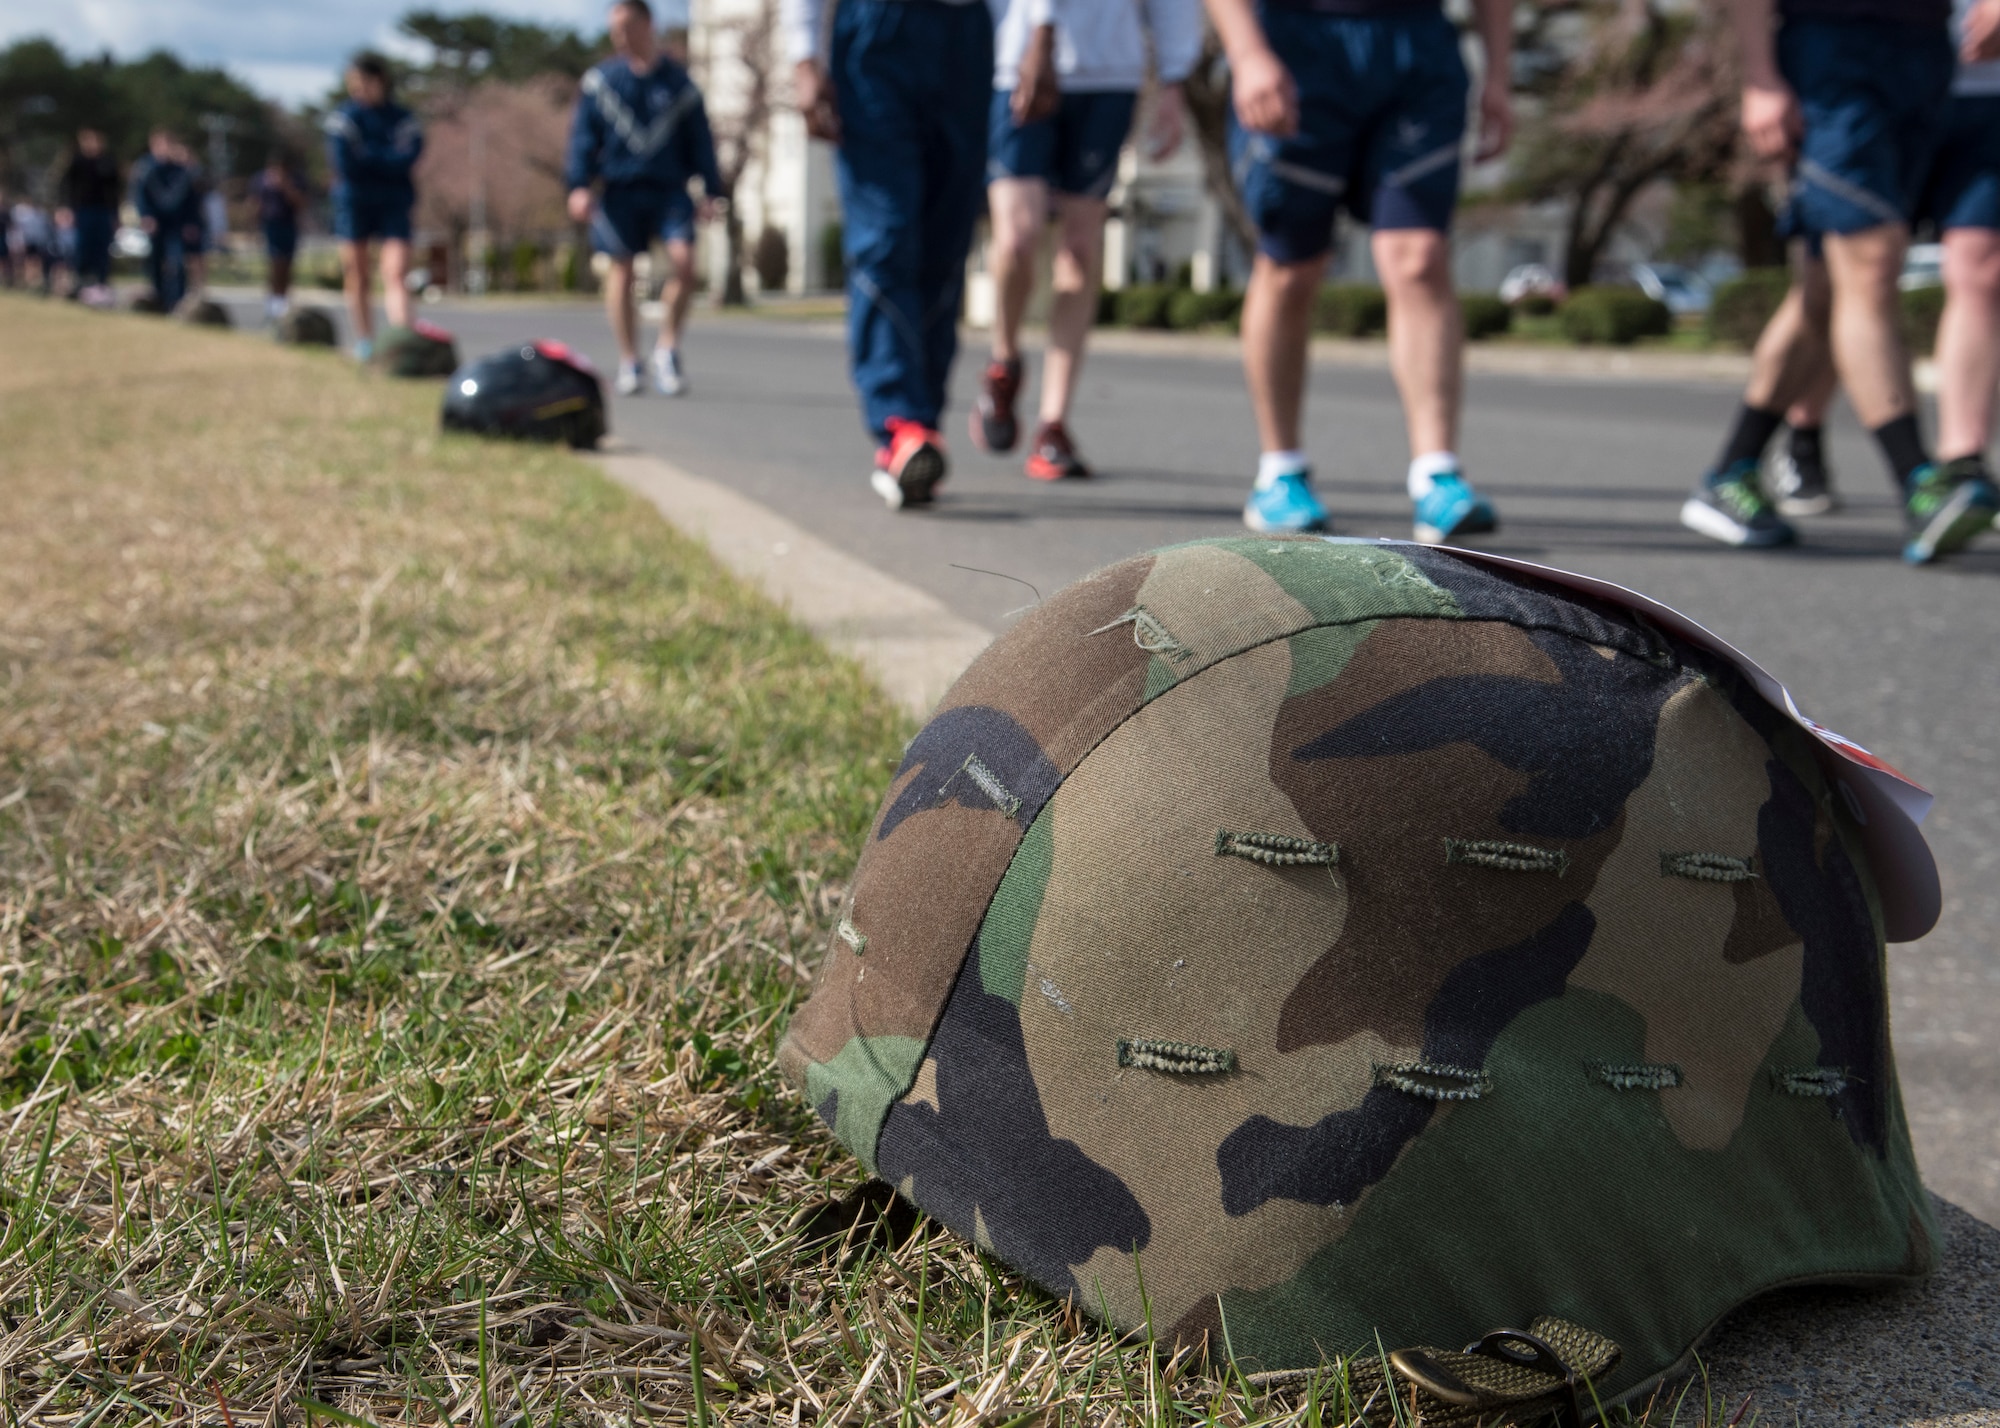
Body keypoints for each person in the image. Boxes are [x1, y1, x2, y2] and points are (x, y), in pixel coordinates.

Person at [1684, 0, 1994, 565]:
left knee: (1825, 290)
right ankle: (1919, 483)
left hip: (1923, 54)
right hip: (1830, 50)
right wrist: (1760, 76)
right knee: (1872, 261)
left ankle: (1731, 473)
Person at [1205, 0, 1513, 540]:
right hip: (1296, 43)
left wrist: (1500, 75)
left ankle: (1437, 473)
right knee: (1290, 268)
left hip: (1416, 47)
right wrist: (1248, 52)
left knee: (1419, 259)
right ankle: (1280, 471)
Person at [787, 0, 1024, 510]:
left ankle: (921, 431)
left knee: (946, 244)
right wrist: (804, 56)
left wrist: (1021, 40)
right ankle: (900, 421)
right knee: (887, 236)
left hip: (967, 34)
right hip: (877, 32)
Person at [975, 0, 1201, 481]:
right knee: (1017, 238)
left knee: (1079, 250)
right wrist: (1036, 34)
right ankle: (1005, 359)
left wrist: (1174, 80)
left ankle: (1053, 424)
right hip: (1019, 63)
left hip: (1109, 74)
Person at [565, 0, 724, 397]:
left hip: (670, 189)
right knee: (622, 271)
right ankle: (629, 360)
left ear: (648, 23)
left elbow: (700, 141)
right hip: (620, 191)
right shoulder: (601, 81)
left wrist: (711, 190)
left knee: (685, 266)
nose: (620, 35)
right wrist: (579, 185)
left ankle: (666, 350)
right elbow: (583, 138)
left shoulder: (679, 85)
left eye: (627, 25)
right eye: (614, 28)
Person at [325, 52, 424, 362]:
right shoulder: (343, 119)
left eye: (364, 83)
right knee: (357, 272)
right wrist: (383, 159)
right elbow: (345, 164)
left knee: (396, 272)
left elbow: (407, 158)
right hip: (354, 202)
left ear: (380, 81)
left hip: (394, 201)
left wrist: (369, 156)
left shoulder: (403, 119)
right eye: (353, 84)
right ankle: (365, 342)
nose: (359, 90)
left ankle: (402, 343)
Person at [131, 129, 204, 309]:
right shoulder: (145, 168)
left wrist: (191, 222)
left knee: (178, 262)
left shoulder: (182, 170)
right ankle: (158, 297)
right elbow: (140, 196)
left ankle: (177, 301)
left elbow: (191, 200)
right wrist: (146, 216)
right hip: (156, 223)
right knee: (156, 261)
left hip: (177, 223)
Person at [60, 129, 120, 299]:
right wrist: (66, 209)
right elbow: (66, 187)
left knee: (102, 249)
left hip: (103, 211)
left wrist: (115, 214)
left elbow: (115, 191)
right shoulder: (76, 162)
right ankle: (79, 282)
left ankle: (101, 285)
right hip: (82, 211)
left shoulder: (108, 162)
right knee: (82, 248)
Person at [256, 158, 305, 321]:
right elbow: (257, 204)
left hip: (289, 226)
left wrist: (286, 186)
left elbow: (301, 204)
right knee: (275, 263)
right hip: (271, 226)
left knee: (288, 264)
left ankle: (283, 301)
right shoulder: (262, 180)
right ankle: (272, 302)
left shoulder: (295, 180)